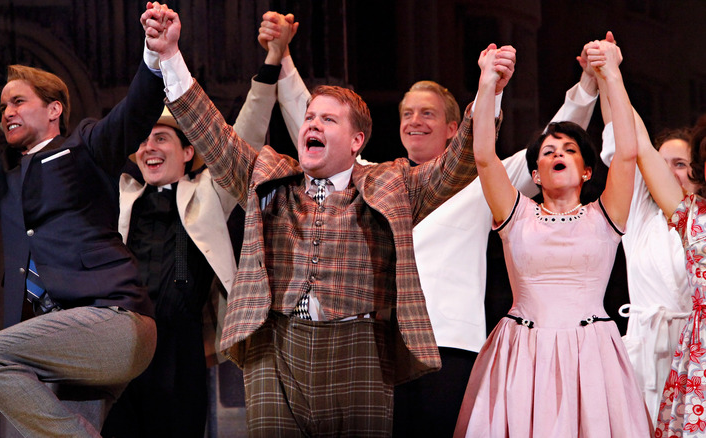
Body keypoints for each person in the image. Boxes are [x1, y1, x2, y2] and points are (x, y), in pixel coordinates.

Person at [144, 8, 497, 436]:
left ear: (356, 141)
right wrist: (170, 56)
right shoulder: (268, 173)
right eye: (310, 117)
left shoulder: (392, 183)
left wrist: (487, 90)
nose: (312, 122)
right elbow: (211, 132)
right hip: (275, 350)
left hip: (359, 352)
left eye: (328, 119)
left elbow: (458, 164)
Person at [257, 12, 601, 434]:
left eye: (428, 114)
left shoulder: (483, 183)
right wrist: (283, 58)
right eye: (407, 113)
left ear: (456, 129)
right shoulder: (371, 181)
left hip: (450, 346)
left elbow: (552, 146)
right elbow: (313, 122)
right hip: (381, 347)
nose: (414, 121)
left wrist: (586, 88)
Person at [0, 1, 189, 435]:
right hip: (57, 345)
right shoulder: (3, 178)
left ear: (54, 110)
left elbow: (131, 116)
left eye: (19, 101)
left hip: (113, 319)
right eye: (3, 105)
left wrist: (154, 54)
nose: (7, 111)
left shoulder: (84, 148)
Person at [102, 21, 298, 434]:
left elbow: (246, 129)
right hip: (124, 342)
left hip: (181, 345)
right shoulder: (120, 195)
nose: (148, 147)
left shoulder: (209, 191)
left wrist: (273, 58)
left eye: (161, 138)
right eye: (143, 141)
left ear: (189, 151)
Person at [454, 40, 651, 436]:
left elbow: (628, 154)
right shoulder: (515, 213)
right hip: (523, 351)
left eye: (569, 149)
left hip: (592, 352)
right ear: (537, 175)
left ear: (586, 171)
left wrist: (611, 74)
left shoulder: (605, 215)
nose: (557, 153)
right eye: (547, 151)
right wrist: (488, 83)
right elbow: (484, 158)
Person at [601, 122, 692, 421]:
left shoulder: (700, 227)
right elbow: (623, 137)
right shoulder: (640, 217)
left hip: (694, 352)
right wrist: (607, 77)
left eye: (679, 164)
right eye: (659, 164)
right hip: (645, 353)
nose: (666, 172)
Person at [635, 97, 706, 436]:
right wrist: (611, 78)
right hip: (694, 356)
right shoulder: (692, 216)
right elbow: (638, 148)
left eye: (679, 163)